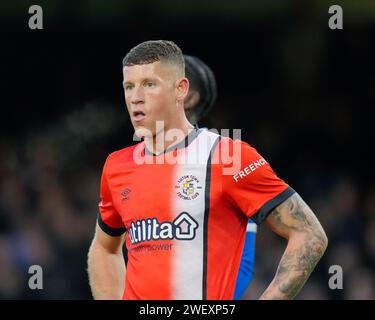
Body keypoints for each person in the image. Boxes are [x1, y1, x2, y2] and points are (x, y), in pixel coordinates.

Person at [87, 40, 328, 300]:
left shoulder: (228, 157)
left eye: (149, 84)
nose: (135, 98)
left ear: (181, 89)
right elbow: (105, 247)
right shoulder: (117, 166)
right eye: (129, 87)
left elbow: (309, 234)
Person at [183, 54, 256, 300]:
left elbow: (242, 260)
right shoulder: (130, 163)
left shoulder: (225, 159)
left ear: (188, 97)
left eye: (153, 84)